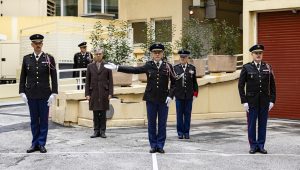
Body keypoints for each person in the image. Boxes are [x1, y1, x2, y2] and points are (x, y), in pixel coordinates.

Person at [104, 43, 175, 154]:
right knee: (151, 123)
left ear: (162, 54)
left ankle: (160, 145)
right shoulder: (148, 65)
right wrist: (118, 67)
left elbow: (174, 83)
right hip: (151, 99)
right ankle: (153, 145)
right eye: (155, 52)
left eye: (159, 52)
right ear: (152, 54)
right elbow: (134, 70)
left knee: (162, 124)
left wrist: (170, 96)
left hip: (163, 100)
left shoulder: (168, 66)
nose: (157, 54)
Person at [19, 34, 58, 153]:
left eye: (40, 43)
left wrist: (54, 93)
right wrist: (22, 92)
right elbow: (23, 76)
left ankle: (41, 143)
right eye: (35, 43)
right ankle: (34, 143)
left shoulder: (49, 58)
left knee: (44, 121)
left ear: (42, 44)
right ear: (32, 45)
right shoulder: (26, 58)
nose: (38, 45)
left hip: (45, 94)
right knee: (34, 120)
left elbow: (54, 77)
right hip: (31, 94)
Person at [238, 44, 276, 154]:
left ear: (262, 54)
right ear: (252, 55)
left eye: (260, 53)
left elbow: (273, 85)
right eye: (256, 53)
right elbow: (240, 86)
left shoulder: (268, 67)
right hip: (251, 102)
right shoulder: (246, 67)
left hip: (264, 101)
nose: (258, 55)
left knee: (262, 124)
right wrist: (244, 101)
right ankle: (253, 146)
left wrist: (272, 100)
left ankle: (261, 145)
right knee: (251, 125)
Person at [85, 47, 113, 138]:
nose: (98, 55)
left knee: (103, 112)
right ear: (94, 55)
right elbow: (87, 81)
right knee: (95, 112)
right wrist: (87, 94)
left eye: (100, 54)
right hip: (94, 92)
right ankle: (96, 130)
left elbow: (111, 80)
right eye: (96, 54)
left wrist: (110, 93)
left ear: (102, 54)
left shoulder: (107, 65)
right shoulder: (90, 66)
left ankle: (103, 131)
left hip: (104, 92)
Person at [170, 50, 198, 139]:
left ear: (187, 58)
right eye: (181, 57)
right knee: (179, 115)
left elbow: (194, 82)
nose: (182, 58)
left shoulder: (192, 68)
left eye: (184, 57)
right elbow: (173, 83)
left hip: (189, 95)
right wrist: (172, 94)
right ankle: (180, 132)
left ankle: (186, 132)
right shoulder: (175, 68)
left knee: (187, 114)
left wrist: (195, 93)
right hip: (179, 95)